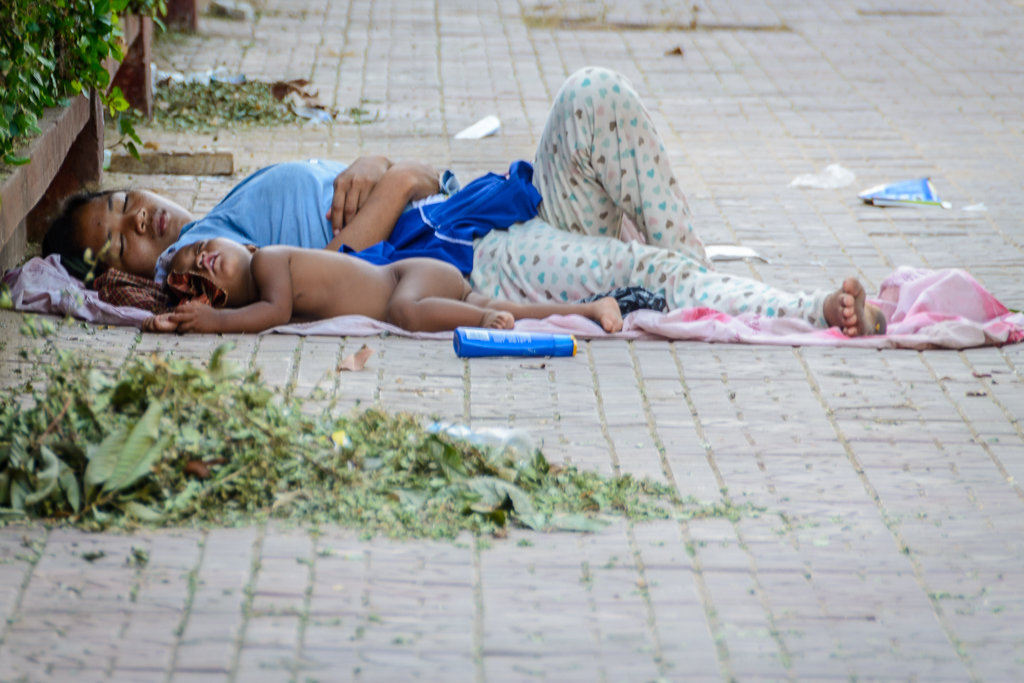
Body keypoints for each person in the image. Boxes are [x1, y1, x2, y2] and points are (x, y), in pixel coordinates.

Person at [42, 67, 884, 337]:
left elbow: (357, 182)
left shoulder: (224, 211)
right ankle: (807, 310)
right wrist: (403, 180)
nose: (138, 225)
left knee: (594, 94)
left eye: (122, 204)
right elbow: (350, 264)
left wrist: (380, 161)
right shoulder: (224, 261)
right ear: (139, 277)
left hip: (493, 204)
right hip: (476, 254)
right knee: (637, 265)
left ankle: (693, 289)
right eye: (119, 245)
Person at [143, 237, 622, 334]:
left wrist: (213, 322)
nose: (204, 259)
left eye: (204, 246)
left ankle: (481, 321)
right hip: (426, 282)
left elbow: (274, 313)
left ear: (243, 245)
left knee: (404, 314)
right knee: (508, 304)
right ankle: (590, 307)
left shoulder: (266, 261)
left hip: (409, 279)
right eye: (199, 271)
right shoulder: (259, 287)